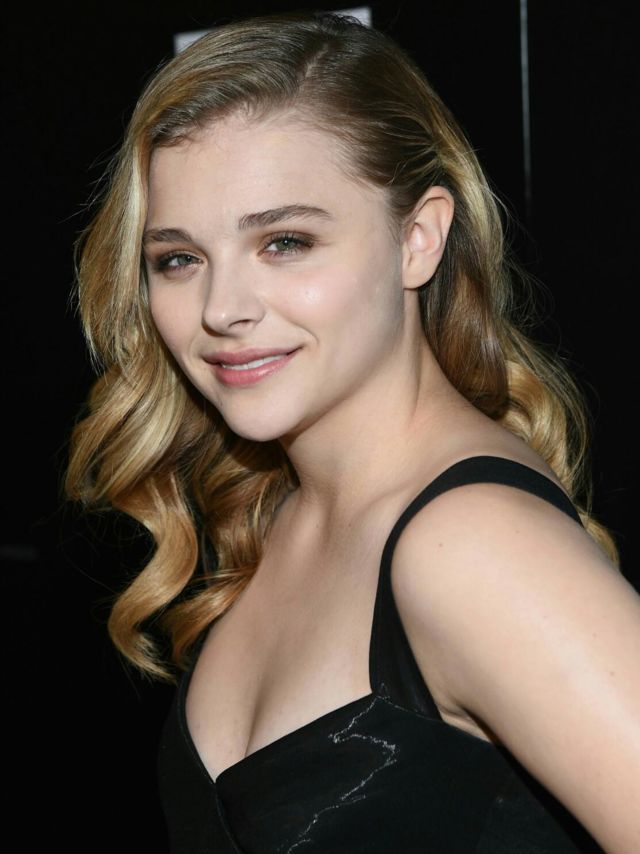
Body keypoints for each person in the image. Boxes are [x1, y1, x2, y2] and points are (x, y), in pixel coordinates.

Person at [66, 11, 640, 853]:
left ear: (418, 239)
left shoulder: (474, 546)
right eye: (178, 259)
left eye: (285, 242)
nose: (222, 309)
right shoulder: (278, 512)